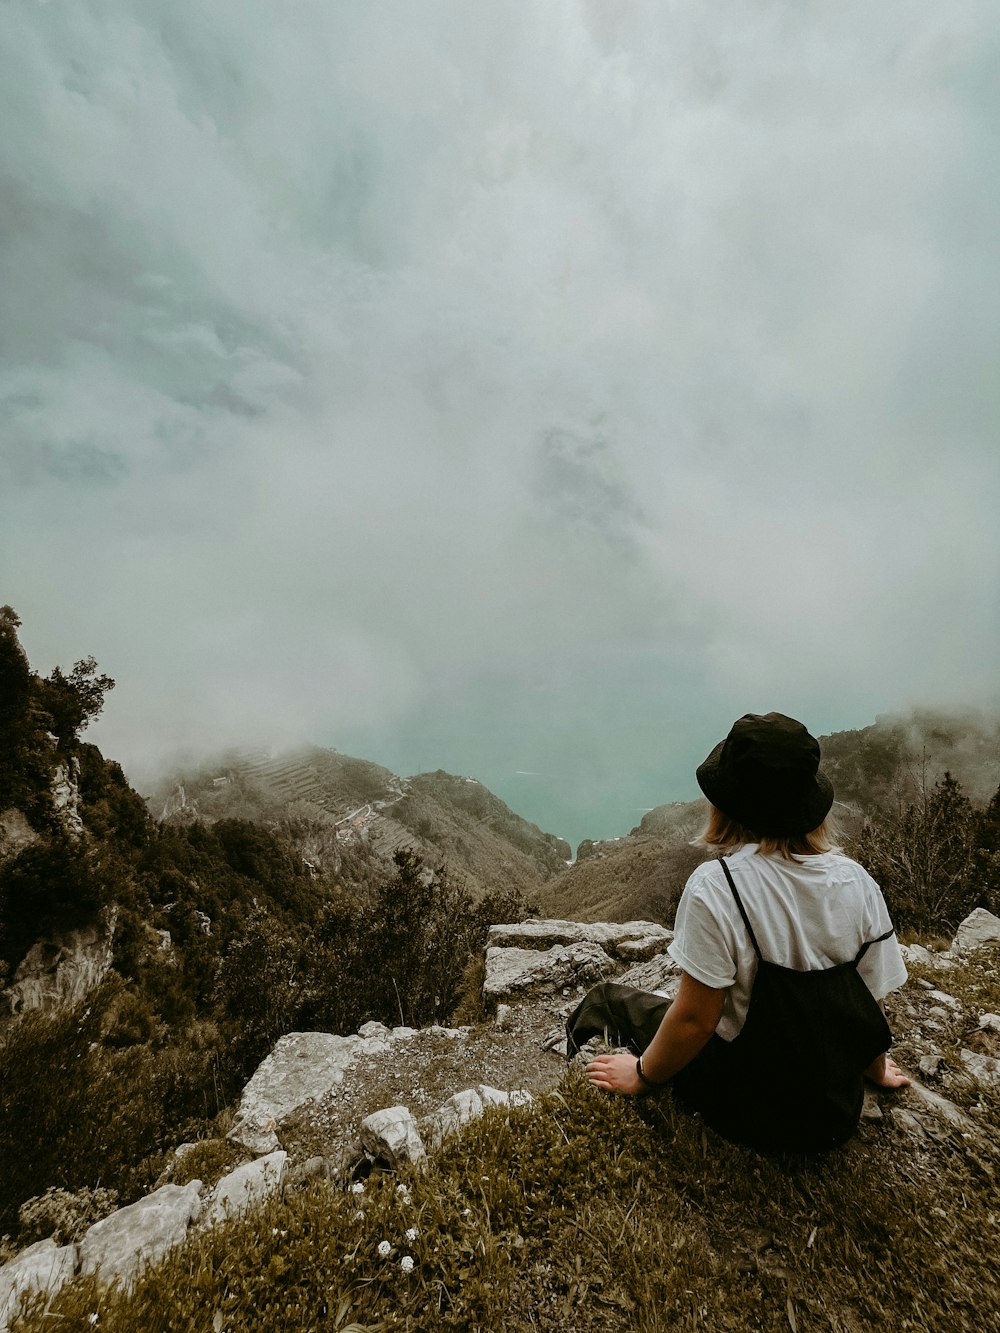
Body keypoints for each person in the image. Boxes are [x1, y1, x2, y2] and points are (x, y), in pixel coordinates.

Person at [566, 712, 910, 1153]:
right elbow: (867, 999)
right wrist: (874, 1067)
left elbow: (696, 1020)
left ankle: (568, 1066)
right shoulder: (857, 882)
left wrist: (640, 1076)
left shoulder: (717, 886)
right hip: (833, 1113)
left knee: (612, 1001)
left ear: (728, 805)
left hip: (748, 1107)